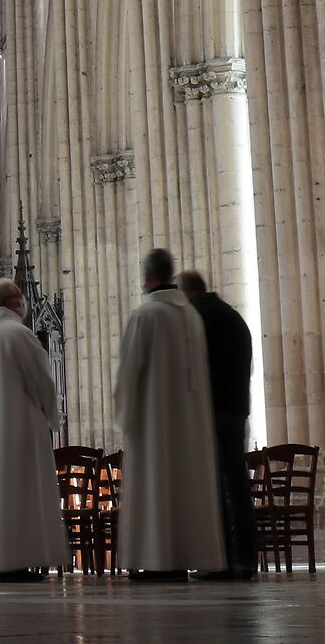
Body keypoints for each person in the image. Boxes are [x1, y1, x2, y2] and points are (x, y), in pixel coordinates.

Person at [111, 248, 224, 580]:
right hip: (190, 426)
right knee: (184, 489)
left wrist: (125, 417)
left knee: (157, 487)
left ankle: (158, 561)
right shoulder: (190, 315)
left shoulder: (145, 317)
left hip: (154, 425)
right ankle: (182, 557)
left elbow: (129, 373)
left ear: (148, 278)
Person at [0, 278, 69, 581]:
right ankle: (17, 563)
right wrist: (52, 416)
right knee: (19, 495)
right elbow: (43, 379)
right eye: (20, 299)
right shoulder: (19, 334)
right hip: (17, 430)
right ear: (11, 303)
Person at [179, 270, 257, 578]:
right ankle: (246, 560)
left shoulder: (198, 317)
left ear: (186, 294)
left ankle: (222, 561)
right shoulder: (233, 317)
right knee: (237, 485)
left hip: (211, 412)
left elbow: (190, 368)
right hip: (236, 410)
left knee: (215, 487)